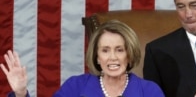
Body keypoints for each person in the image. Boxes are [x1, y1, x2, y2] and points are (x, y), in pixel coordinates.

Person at [1, 20, 165, 97]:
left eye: (120, 50)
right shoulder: (75, 86)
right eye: (105, 50)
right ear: (97, 56)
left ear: (129, 55)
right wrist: (21, 93)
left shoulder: (149, 91)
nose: (112, 58)